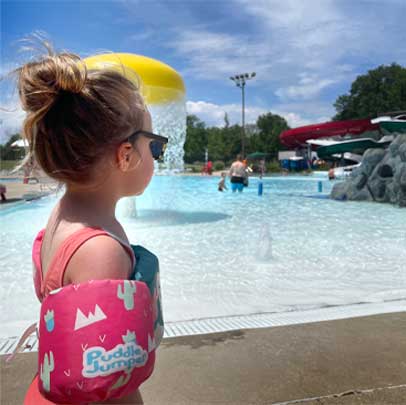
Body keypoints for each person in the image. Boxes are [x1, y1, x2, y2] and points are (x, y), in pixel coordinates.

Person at [15, 44, 167, 404]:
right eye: (156, 146)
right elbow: (104, 383)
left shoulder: (62, 215)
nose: (158, 158)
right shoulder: (100, 249)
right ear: (126, 155)